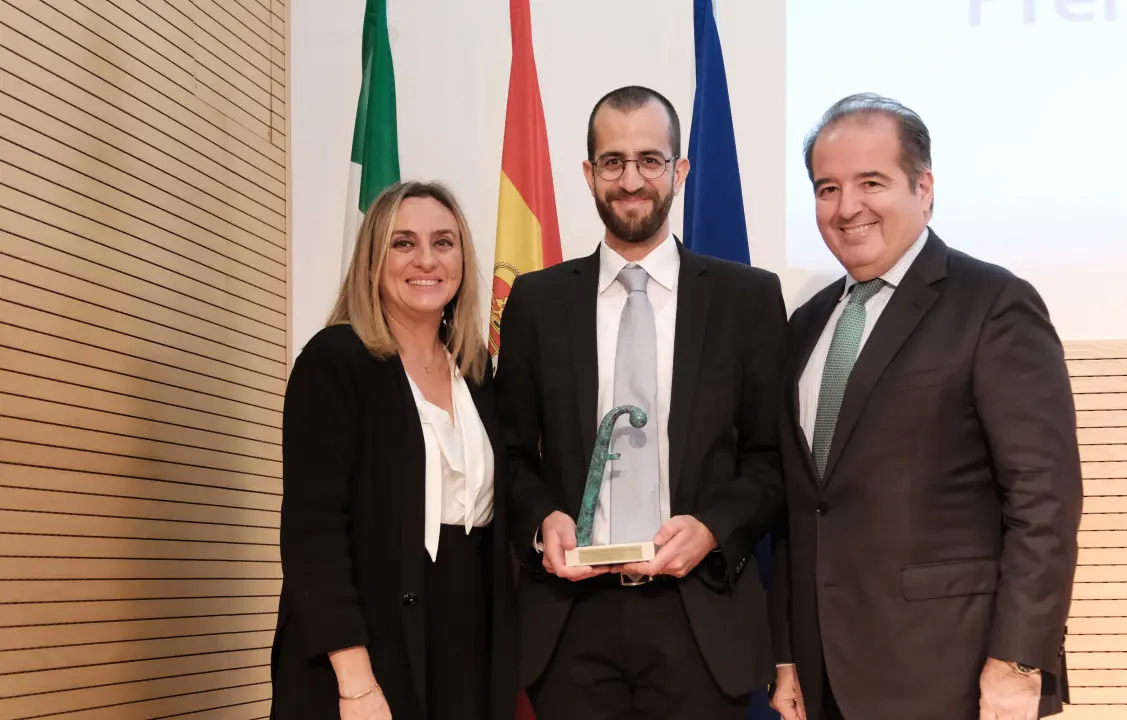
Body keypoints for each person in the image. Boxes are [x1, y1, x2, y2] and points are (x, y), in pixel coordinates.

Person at [768, 93, 1083, 720]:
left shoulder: (993, 304)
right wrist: (787, 655)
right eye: (828, 188)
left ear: (924, 188)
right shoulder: (805, 325)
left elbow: (1044, 497)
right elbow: (801, 507)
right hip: (825, 677)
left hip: (953, 674)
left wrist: (1019, 661)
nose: (847, 207)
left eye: (871, 182)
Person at [494, 85, 788, 719]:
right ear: (589, 174)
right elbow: (509, 454)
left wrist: (712, 529)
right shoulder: (537, 304)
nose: (631, 180)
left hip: (700, 617)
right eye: (613, 162)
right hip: (571, 625)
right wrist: (541, 520)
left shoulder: (747, 300)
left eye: (650, 160)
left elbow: (770, 460)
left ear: (679, 171)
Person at [270, 181, 516, 720]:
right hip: (363, 653)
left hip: (463, 653)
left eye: (443, 242)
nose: (426, 259)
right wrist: (356, 683)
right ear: (373, 259)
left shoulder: (475, 371)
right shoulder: (335, 360)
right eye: (403, 243)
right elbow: (313, 535)